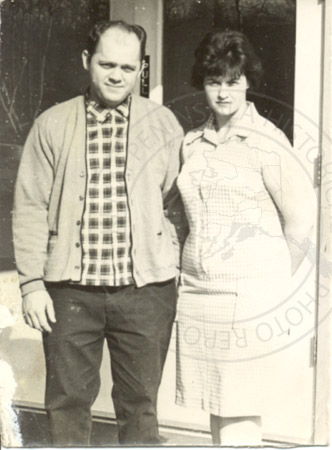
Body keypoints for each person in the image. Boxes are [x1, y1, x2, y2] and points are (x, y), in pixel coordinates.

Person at [13, 19, 184, 446]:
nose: (116, 76)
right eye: (107, 64)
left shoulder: (164, 125)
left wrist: (166, 260)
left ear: (140, 70)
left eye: (127, 68)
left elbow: (177, 203)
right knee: (67, 403)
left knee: (141, 404)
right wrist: (33, 283)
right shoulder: (52, 125)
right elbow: (30, 205)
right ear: (87, 61)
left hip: (144, 294)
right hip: (71, 293)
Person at [175, 29, 316, 445]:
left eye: (232, 81)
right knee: (217, 405)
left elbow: (301, 222)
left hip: (248, 296)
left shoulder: (267, 141)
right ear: (202, 82)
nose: (223, 92)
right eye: (213, 81)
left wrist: (268, 281)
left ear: (248, 81)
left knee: (240, 411)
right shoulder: (191, 143)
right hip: (200, 293)